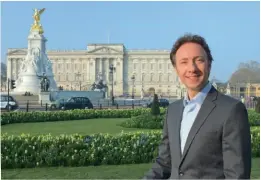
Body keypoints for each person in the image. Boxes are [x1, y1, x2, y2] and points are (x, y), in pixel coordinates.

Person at [143, 34, 251, 179]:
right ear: (176, 69)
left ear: (209, 65)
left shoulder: (231, 110)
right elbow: (165, 163)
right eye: (184, 62)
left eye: (199, 60)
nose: (192, 68)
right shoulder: (173, 111)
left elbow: (237, 175)